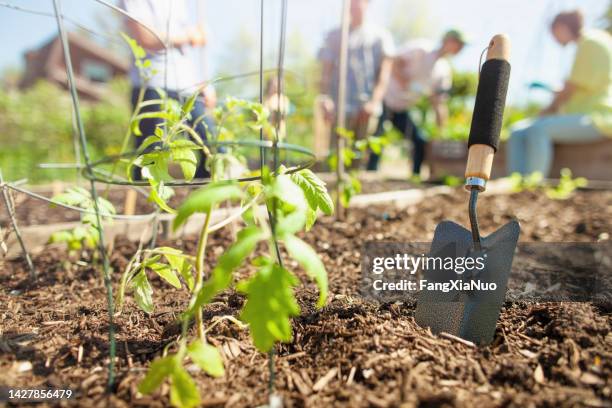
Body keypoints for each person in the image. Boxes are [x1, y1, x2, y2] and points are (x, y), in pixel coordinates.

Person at [507, 10, 612, 176]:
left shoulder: (591, 42)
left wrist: (548, 109)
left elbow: (572, 88)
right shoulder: (594, 41)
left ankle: (532, 184)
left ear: (561, 27)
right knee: (517, 131)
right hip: (584, 114)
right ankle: (515, 180)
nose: (555, 39)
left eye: (554, 33)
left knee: (538, 130)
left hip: (598, 116)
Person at [120, 0, 209, 180]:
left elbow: (189, 54)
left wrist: (206, 84)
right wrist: (189, 37)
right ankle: (146, 203)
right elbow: (146, 38)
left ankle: (201, 198)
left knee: (211, 145)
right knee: (150, 155)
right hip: (151, 83)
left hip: (188, 84)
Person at [367, 29, 467, 176]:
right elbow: (393, 61)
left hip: (402, 108)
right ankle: (370, 173)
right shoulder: (421, 49)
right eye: (458, 43)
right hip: (387, 99)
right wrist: (405, 81)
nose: (460, 48)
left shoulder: (443, 71)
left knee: (419, 140)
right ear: (448, 41)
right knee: (378, 136)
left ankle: (415, 176)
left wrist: (442, 130)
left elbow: (439, 102)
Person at [318, 0, 395, 165]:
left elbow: (384, 74)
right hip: (339, 107)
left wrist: (373, 102)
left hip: (365, 107)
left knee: (359, 157)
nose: (355, 6)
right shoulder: (335, 36)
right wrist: (325, 98)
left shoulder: (380, 36)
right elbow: (326, 71)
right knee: (336, 155)